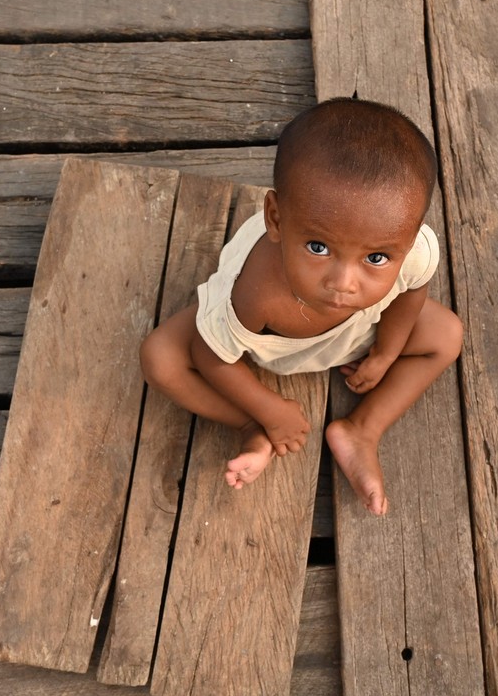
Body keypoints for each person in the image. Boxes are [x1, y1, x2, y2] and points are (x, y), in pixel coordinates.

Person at [140, 98, 462, 515]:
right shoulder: (256, 293)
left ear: (411, 236)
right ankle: (249, 428)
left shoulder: (411, 250)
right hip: (258, 347)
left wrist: (386, 352)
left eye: (377, 258)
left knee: (447, 335)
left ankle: (362, 431)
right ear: (275, 218)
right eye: (318, 247)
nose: (343, 284)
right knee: (160, 358)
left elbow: (412, 293)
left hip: (357, 332)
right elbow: (209, 354)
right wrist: (267, 410)